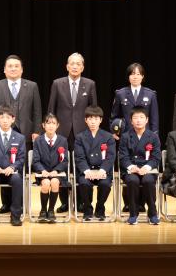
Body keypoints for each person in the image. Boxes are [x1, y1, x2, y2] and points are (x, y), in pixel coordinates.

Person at [0, 55, 41, 213]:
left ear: (22, 69)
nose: (13, 68)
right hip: (1, 132)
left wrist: (37, 131)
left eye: (17, 66)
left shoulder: (32, 86)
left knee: (18, 168)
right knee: (2, 163)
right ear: (4, 69)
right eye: (10, 66)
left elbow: (37, 110)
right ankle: (6, 203)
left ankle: (18, 204)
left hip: (24, 132)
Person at [47, 52, 97, 213]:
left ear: (82, 67)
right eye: (72, 64)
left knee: (84, 166)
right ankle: (65, 202)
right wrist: (51, 130)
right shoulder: (57, 83)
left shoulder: (90, 84)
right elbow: (51, 109)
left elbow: (93, 110)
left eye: (78, 64)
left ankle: (84, 202)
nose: (75, 66)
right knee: (62, 166)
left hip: (83, 132)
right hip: (62, 132)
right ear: (67, 66)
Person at [110, 62, 159, 212]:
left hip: (146, 139)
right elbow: (114, 116)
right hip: (126, 138)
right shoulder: (121, 93)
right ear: (128, 77)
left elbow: (154, 118)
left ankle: (142, 203)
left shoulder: (150, 94)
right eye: (132, 74)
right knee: (129, 170)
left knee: (145, 170)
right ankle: (128, 203)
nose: (135, 76)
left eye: (138, 74)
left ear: (142, 76)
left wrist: (154, 136)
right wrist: (114, 131)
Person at [0, 105, 26, 226]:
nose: (5, 120)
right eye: (2, 117)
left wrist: (12, 167)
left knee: (17, 179)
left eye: (8, 117)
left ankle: (16, 215)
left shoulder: (20, 138)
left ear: (13, 119)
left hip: (12, 172)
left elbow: (21, 158)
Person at [119, 107, 161, 225]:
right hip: (131, 169)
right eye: (135, 118)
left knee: (148, 180)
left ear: (147, 120)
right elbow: (123, 157)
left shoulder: (153, 136)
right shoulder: (126, 136)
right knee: (132, 180)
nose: (138, 120)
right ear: (131, 121)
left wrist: (146, 168)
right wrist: (131, 167)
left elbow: (156, 157)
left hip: (148, 169)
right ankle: (133, 214)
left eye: (141, 117)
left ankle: (152, 213)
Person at [74, 106, 116, 221]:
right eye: (90, 118)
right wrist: (87, 171)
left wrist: (102, 170)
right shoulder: (80, 137)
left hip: (102, 170)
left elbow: (110, 157)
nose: (93, 122)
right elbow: (79, 157)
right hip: (86, 171)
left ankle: (100, 208)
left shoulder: (108, 137)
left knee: (105, 184)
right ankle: (87, 209)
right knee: (84, 183)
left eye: (96, 119)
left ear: (101, 120)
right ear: (85, 120)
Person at [31, 113, 69, 223]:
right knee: (46, 183)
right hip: (42, 173)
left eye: (53, 123)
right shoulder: (38, 141)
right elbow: (36, 160)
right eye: (48, 123)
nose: (51, 126)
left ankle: (51, 210)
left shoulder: (63, 141)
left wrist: (56, 170)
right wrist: (42, 170)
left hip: (57, 173)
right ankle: (43, 210)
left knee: (55, 182)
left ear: (57, 125)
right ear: (43, 125)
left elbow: (65, 160)